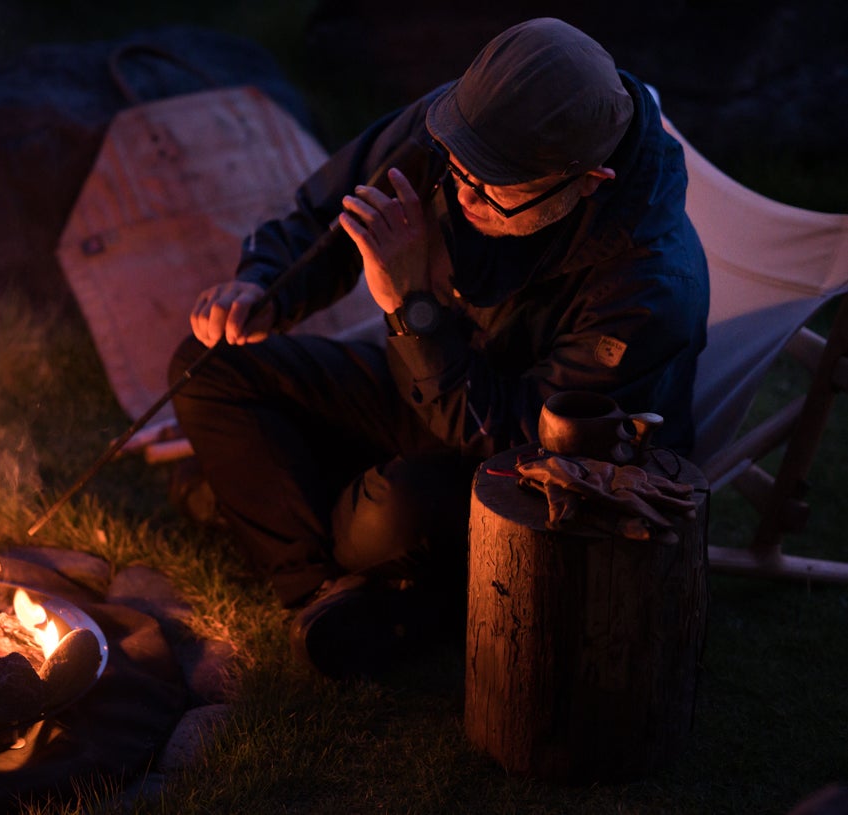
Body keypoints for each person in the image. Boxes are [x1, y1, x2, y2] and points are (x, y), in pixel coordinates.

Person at [168, 18, 709, 678]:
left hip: (537, 473)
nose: (461, 191)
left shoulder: (648, 286)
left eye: (490, 187)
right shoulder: (465, 127)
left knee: (392, 512)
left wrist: (408, 304)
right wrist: (261, 287)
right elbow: (333, 212)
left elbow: (513, 440)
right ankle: (319, 593)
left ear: (587, 180)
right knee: (210, 368)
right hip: (433, 379)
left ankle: (301, 514)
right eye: (456, 170)